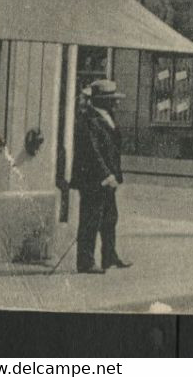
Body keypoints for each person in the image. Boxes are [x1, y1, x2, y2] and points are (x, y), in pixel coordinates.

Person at [71, 80, 129, 274]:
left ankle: (109, 256)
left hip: (108, 178)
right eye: (112, 99)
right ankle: (85, 262)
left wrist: (114, 175)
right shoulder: (88, 119)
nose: (116, 103)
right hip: (93, 179)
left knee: (110, 217)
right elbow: (92, 150)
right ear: (102, 100)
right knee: (91, 219)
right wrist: (106, 174)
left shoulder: (107, 115)